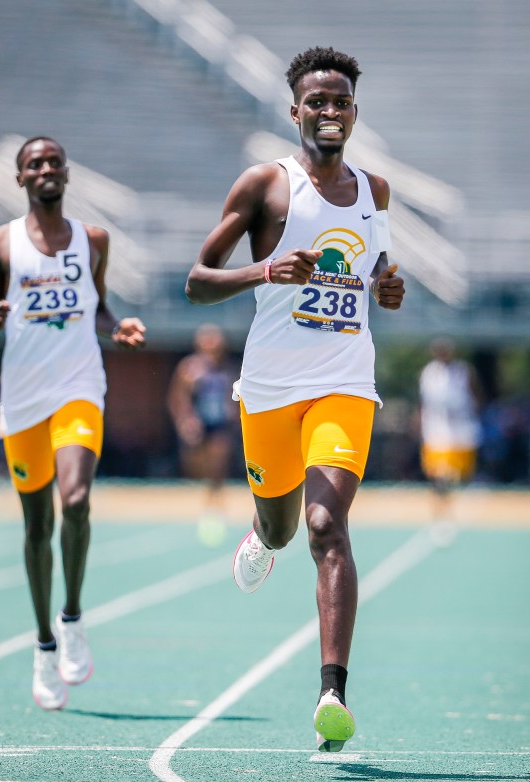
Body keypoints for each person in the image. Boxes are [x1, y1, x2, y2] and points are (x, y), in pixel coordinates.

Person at [185, 47, 405, 752]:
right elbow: (195, 279)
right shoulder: (266, 186)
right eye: (317, 101)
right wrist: (266, 270)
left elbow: (374, 276)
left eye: (341, 101)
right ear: (295, 112)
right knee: (282, 530)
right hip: (272, 392)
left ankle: (332, 692)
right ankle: (260, 533)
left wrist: (388, 290)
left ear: (354, 112)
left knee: (324, 525)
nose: (330, 112)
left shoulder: (377, 192)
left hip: (345, 385)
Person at [0, 136, 146, 710]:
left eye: (53, 162)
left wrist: (118, 329)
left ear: (66, 173)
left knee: (77, 500)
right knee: (37, 525)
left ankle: (72, 617)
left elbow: (99, 308)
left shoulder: (93, 240)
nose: (45, 169)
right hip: (22, 401)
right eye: (33, 164)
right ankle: (44, 644)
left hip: (78, 389)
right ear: (20, 179)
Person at [167, 323, 239, 545]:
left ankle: (214, 504)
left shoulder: (228, 369)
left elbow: (234, 398)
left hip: (220, 423)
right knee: (195, 467)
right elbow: (177, 398)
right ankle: (197, 504)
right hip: (198, 424)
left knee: (218, 463)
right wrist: (185, 420)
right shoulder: (189, 368)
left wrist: (235, 419)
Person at [419, 338, 481, 538]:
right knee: (440, 476)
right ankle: (442, 516)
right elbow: (424, 403)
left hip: (462, 430)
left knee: (461, 476)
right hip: (437, 431)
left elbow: (477, 395)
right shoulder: (428, 373)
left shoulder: (463, 371)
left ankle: (454, 511)